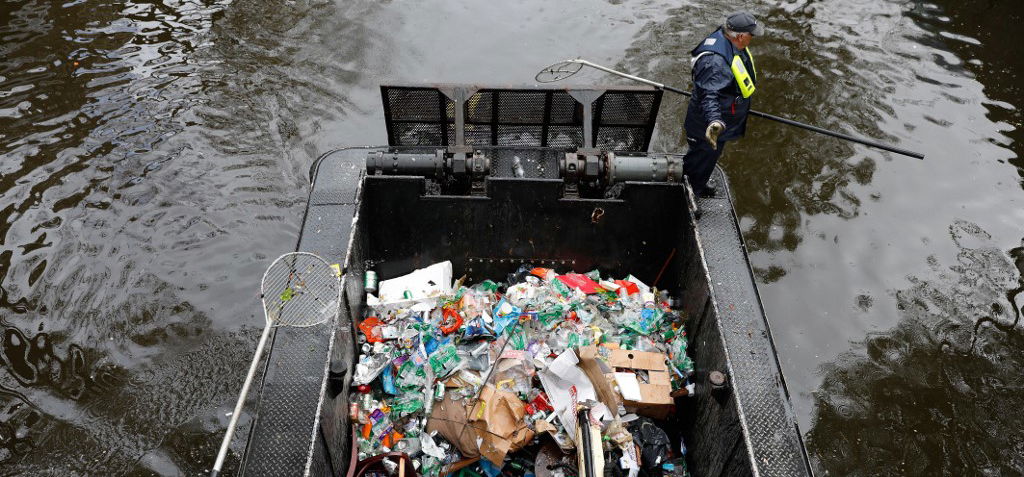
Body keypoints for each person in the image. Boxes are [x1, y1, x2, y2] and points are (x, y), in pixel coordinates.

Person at [682, 11, 764, 198]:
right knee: (701, 158)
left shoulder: (728, 39)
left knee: (707, 159)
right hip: (708, 125)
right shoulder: (715, 62)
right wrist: (714, 122)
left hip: (725, 117)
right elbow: (709, 96)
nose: (753, 37)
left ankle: (698, 183)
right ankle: (689, 194)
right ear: (741, 36)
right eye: (752, 34)